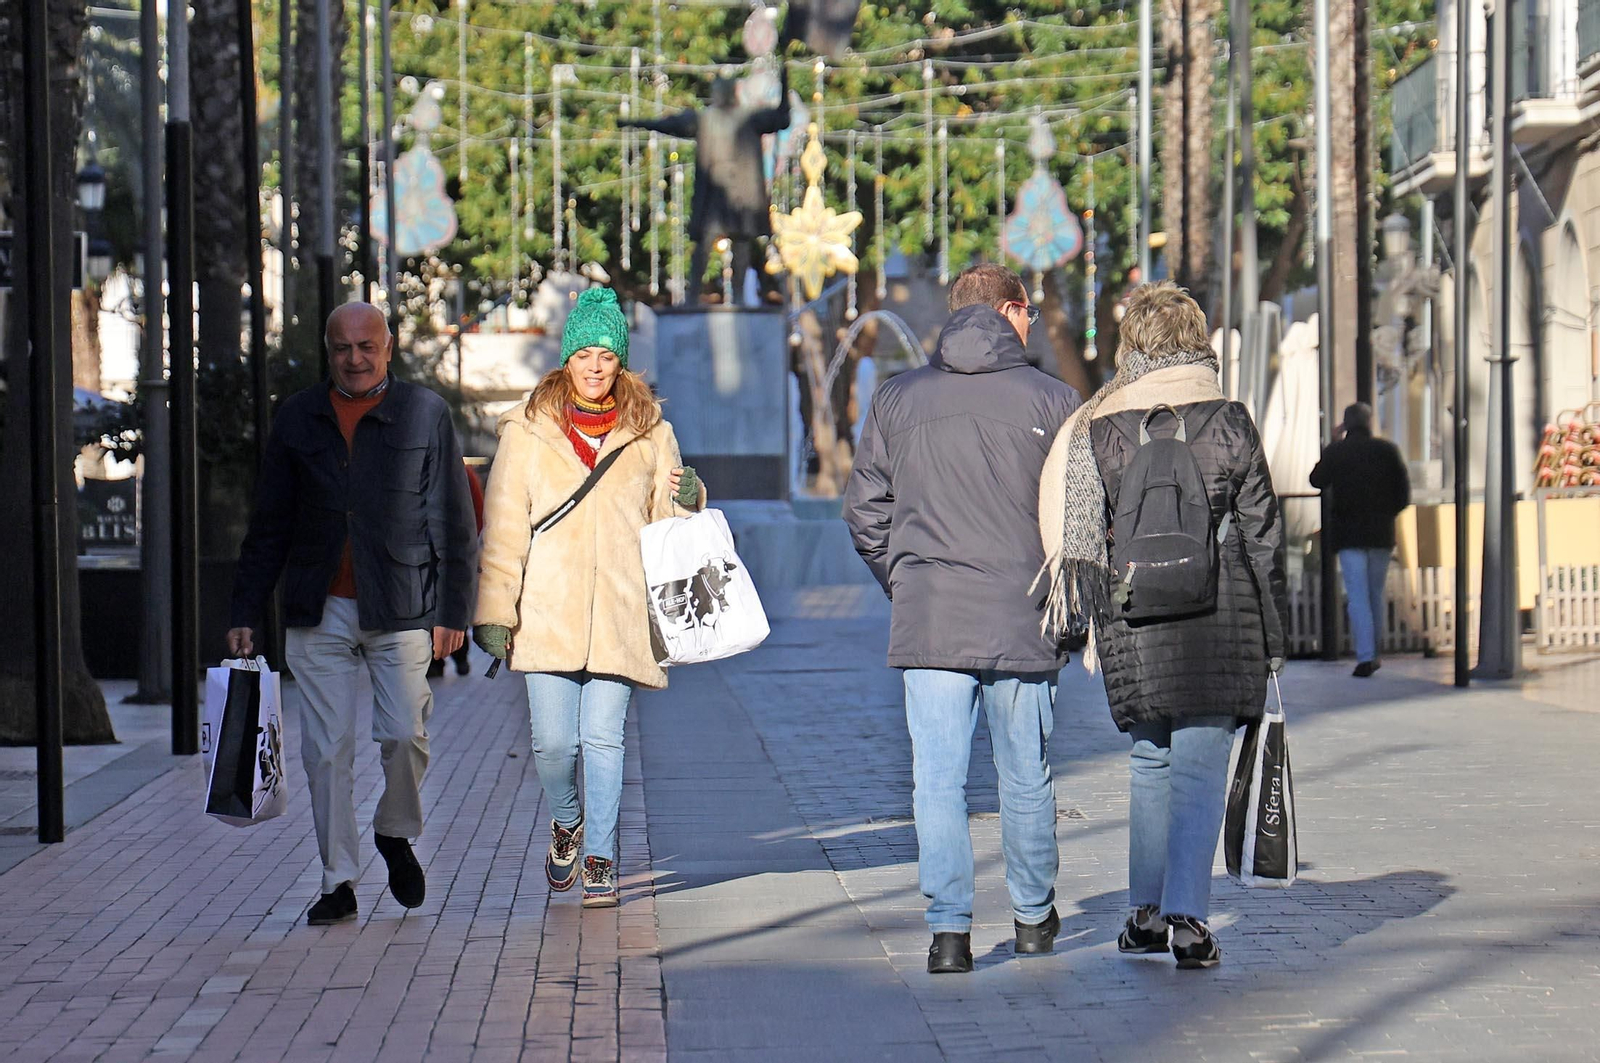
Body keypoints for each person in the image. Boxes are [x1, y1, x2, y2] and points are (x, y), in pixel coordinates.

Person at [1038, 281, 1287, 969]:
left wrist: (1075, 629)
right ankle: (1187, 919)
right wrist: (1274, 634)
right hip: (1219, 618)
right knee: (1201, 768)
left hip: (1133, 619)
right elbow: (1265, 534)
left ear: (1133, 345)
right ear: (1197, 339)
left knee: (1150, 761)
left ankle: (1143, 913)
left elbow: (1080, 539)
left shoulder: (1101, 427)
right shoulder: (1230, 420)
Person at [843, 263, 1082, 974]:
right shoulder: (1056, 399)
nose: (1033, 322)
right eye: (1029, 311)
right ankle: (1034, 916)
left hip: (933, 619)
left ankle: (950, 932)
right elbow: (1077, 517)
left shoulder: (897, 399)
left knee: (937, 781)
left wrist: (908, 578)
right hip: (1024, 616)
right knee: (1025, 774)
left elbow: (864, 511)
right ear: (1010, 311)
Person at [228, 302, 479, 925]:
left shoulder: (425, 413)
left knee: (402, 735)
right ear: (328, 350)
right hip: (317, 609)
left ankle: (395, 833)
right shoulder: (297, 417)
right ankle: (338, 880)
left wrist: (455, 611)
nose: (356, 358)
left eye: (368, 346)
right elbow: (269, 525)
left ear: (388, 348)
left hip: (402, 604)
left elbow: (454, 518)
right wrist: (244, 609)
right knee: (325, 750)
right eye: (343, 347)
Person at [472, 287, 704, 908]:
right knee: (553, 744)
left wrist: (689, 499)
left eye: (606, 354)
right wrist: (495, 611)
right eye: (584, 354)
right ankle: (568, 821)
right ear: (566, 359)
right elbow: (504, 527)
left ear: (621, 361)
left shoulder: (652, 432)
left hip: (622, 610)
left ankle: (601, 853)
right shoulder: (526, 430)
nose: (595, 366)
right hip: (545, 610)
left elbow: (667, 527)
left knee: (604, 739)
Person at [1309, 402, 1411, 677]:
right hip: (1381, 533)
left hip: (1349, 533)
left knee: (1358, 596)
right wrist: (1387, 513)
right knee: (1375, 594)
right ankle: (1373, 651)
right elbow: (1403, 494)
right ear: (1369, 422)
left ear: (1345, 425)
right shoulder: (1387, 450)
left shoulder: (1338, 451)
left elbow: (1316, 479)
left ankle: (1366, 655)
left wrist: (1331, 442)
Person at [429, 462, 485, 678]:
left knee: (445, 603)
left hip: (450, 550)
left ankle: (451, 658)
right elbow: (478, 513)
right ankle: (450, 658)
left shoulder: (463, 473)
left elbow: (478, 513)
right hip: (447, 549)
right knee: (448, 603)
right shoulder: (465, 473)